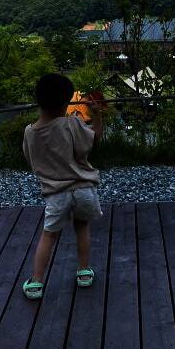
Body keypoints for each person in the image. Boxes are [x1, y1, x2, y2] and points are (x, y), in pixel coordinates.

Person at [21, 73, 104, 300]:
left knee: (49, 235)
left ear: (38, 99)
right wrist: (97, 116)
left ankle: (36, 282)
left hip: (56, 194)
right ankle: (84, 271)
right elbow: (94, 139)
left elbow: (31, 161)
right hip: (83, 189)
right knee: (82, 227)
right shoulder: (72, 124)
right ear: (66, 101)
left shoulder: (30, 133)